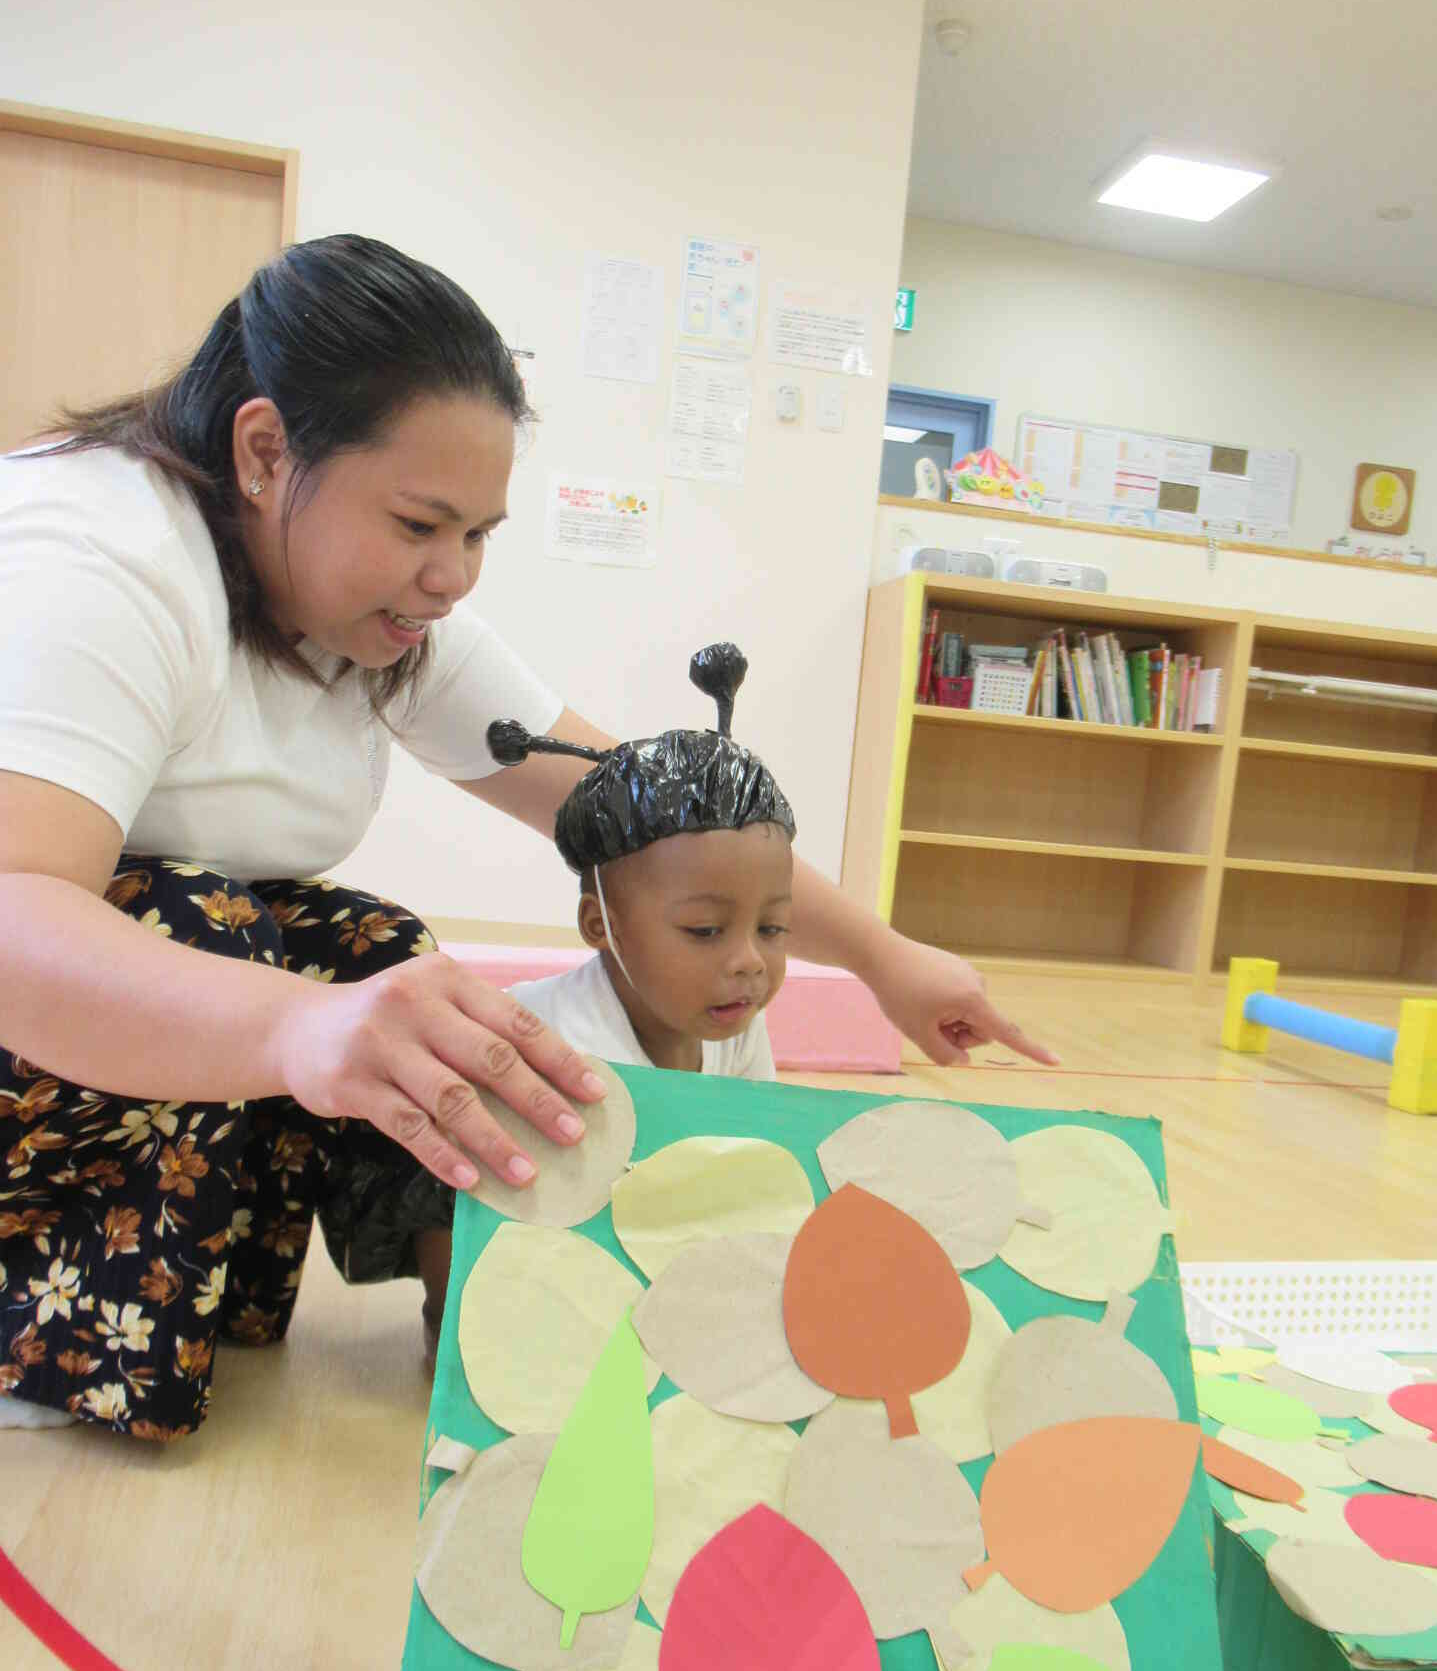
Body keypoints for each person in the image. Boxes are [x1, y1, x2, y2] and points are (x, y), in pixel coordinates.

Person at [0, 233, 1053, 1443]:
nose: (452, 576)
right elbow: (19, 914)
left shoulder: (387, 616)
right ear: (263, 449)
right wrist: (299, 1023)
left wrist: (879, 955)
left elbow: (661, 815)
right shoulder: (99, 557)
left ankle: (174, 1309)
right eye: (418, 522)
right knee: (240, 943)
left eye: (479, 533)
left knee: (369, 955)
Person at [495, 644, 792, 1077]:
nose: (750, 960)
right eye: (705, 930)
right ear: (601, 925)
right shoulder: (559, 1048)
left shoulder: (738, 1021)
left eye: (771, 928)